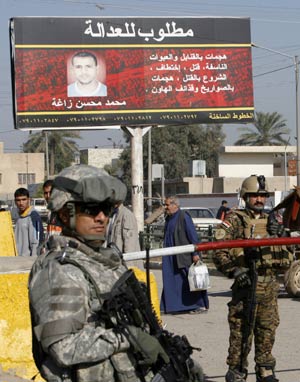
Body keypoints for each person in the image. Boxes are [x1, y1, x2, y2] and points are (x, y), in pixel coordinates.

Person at [28, 165, 202, 382]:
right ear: (65, 213)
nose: (102, 217)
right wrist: (128, 337)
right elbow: (63, 347)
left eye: (107, 209)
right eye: (91, 209)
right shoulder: (60, 271)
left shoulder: (105, 260)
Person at [213, 175, 294, 382]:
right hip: (246, 287)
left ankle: (265, 370)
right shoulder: (235, 220)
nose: (259, 199)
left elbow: (287, 255)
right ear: (245, 196)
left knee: (267, 331)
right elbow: (217, 251)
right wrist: (234, 271)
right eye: (254, 195)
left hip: (268, 287)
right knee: (240, 334)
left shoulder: (273, 220)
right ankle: (237, 371)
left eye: (262, 195)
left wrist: (280, 236)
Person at [160, 195, 209, 314]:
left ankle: (199, 305)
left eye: (167, 205)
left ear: (174, 205)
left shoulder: (183, 217)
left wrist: (195, 252)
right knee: (170, 280)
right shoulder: (168, 218)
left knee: (189, 280)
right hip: (170, 256)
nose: (165, 207)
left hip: (183, 255)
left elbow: (193, 235)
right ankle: (170, 306)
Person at [14, 187, 44, 256]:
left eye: (24, 199)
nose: (21, 203)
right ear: (15, 202)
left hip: (27, 262)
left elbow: (35, 242)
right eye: (18, 200)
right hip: (17, 260)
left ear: (29, 200)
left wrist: (33, 262)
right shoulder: (18, 217)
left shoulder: (33, 216)